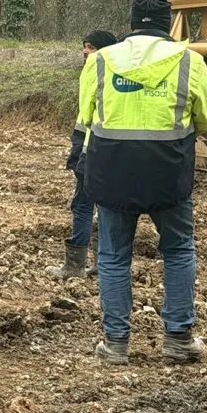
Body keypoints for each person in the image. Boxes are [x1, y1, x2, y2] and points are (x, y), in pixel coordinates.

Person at [79, 0, 207, 365]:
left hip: (111, 172)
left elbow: (86, 113)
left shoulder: (102, 60)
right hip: (167, 172)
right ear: (169, 23)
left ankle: (116, 344)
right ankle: (178, 338)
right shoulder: (190, 60)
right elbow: (205, 117)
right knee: (178, 249)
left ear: (131, 23)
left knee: (112, 256)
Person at [47, 30, 118, 280]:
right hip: (117, 153)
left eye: (90, 47)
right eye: (85, 46)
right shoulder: (123, 75)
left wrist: (79, 149)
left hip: (92, 151)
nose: (85, 52)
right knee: (110, 208)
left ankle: (75, 266)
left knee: (83, 206)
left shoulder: (94, 74)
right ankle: (104, 264)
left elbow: (86, 117)